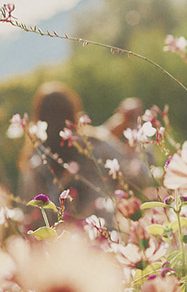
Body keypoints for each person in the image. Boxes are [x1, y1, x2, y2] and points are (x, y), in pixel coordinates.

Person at [17, 82, 123, 223]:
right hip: (102, 231)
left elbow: (26, 209)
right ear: (73, 111)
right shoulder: (96, 144)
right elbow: (137, 173)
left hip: (57, 240)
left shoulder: (35, 160)